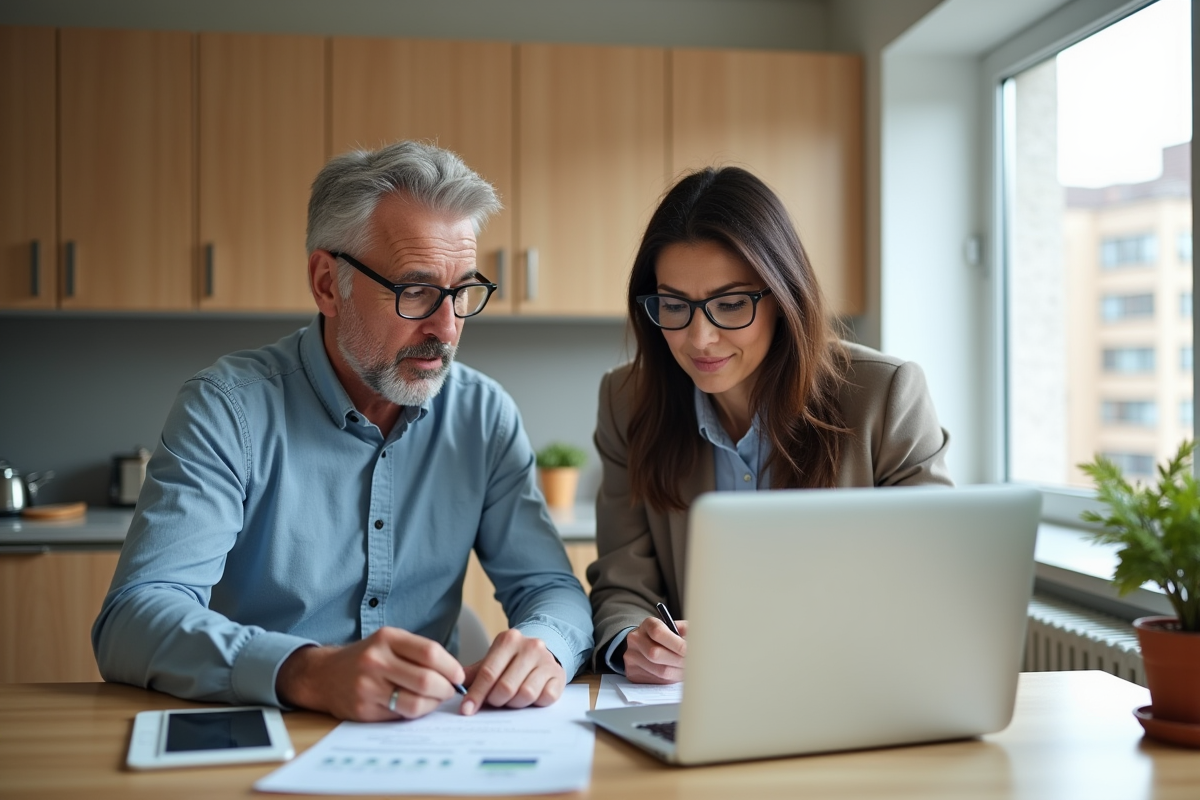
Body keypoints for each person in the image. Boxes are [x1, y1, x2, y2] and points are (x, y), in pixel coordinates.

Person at [93, 141, 593, 721]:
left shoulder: (483, 415)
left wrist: (546, 644)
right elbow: (133, 618)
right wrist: (307, 671)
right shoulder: (227, 408)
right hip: (268, 732)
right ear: (328, 284)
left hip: (432, 739)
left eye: (462, 292)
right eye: (416, 290)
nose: (447, 327)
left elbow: (552, 589)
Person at [587, 166, 952, 683]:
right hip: (695, 703)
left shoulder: (884, 396)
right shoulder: (627, 402)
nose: (700, 338)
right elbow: (623, 581)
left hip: (847, 690)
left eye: (730, 304)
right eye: (674, 305)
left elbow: (932, 581)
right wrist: (633, 642)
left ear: (783, 296)